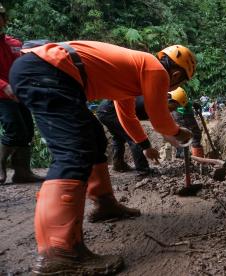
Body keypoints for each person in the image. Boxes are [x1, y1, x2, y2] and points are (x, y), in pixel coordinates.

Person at [10, 42, 195, 274]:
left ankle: (105, 203)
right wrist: (178, 132)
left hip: (45, 71)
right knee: (73, 152)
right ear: (176, 73)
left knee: (95, 138)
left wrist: (145, 145)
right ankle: (59, 253)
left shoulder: (135, 72)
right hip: (48, 72)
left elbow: (126, 116)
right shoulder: (155, 70)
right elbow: (159, 119)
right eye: (179, 82)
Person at [0, 4, 44, 184]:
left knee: (26, 130)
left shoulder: (14, 44)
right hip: (1, 95)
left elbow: (23, 68)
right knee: (14, 129)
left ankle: (22, 171)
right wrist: (4, 86)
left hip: (19, 94)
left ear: (4, 19)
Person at [96, 97, 152, 175]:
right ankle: (143, 169)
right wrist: (147, 146)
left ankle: (118, 164)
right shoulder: (149, 103)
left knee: (118, 138)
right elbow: (132, 122)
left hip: (103, 111)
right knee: (134, 138)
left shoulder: (147, 101)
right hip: (111, 111)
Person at [171, 88, 205, 158]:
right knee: (195, 135)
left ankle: (183, 154)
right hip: (183, 113)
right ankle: (197, 158)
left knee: (181, 135)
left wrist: (193, 103)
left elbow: (184, 101)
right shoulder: (175, 88)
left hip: (179, 112)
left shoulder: (174, 89)